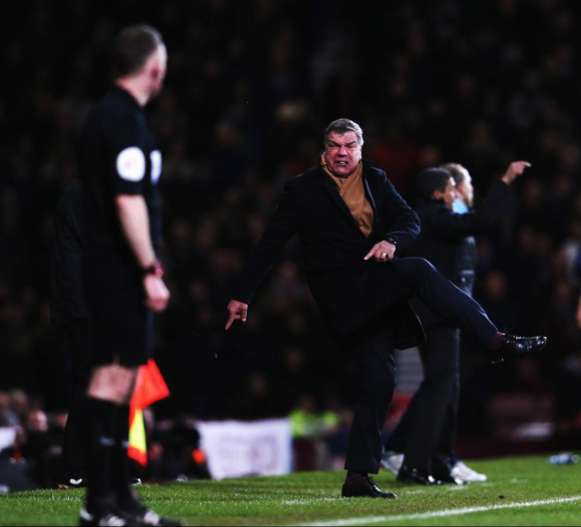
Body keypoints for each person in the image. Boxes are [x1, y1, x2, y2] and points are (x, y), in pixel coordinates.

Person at [225, 118, 547, 499]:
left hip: (375, 292)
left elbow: (409, 221)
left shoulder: (375, 180)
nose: (342, 152)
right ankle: (495, 340)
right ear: (324, 150)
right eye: (334, 145)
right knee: (419, 270)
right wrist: (242, 294)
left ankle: (358, 476)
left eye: (349, 145)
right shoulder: (303, 189)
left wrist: (392, 240)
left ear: (360, 149)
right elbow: (270, 244)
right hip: (342, 294)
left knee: (379, 382)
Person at [77, 25, 179, 526]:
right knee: (113, 378)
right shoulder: (123, 120)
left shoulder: (107, 115)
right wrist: (147, 268)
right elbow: (127, 198)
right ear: (154, 68)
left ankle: (116, 501)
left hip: (105, 265)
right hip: (118, 268)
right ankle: (101, 503)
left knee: (120, 380)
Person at [381, 161, 530, 485]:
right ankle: (415, 461)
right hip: (439, 316)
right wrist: (504, 181)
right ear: (437, 193)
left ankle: (435, 460)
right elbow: (485, 220)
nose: (457, 192)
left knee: (444, 386)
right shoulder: (434, 216)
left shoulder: (432, 217)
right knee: (440, 386)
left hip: (441, 315)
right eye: (451, 188)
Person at [50, 181, 90, 488]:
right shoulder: (81, 196)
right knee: (91, 383)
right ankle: (75, 468)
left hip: (80, 307)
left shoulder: (78, 194)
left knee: (94, 384)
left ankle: (85, 468)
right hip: (85, 309)